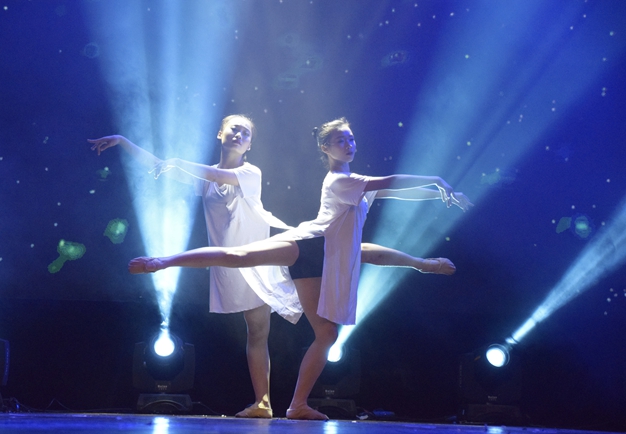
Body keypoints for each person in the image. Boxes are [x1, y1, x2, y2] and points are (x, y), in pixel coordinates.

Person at [128, 117, 473, 419]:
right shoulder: (340, 181)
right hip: (309, 245)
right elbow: (391, 182)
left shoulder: (356, 182)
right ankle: (162, 261)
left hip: (329, 255)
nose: (349, 144)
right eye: (340, 140)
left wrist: (440, 194)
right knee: (238, 255)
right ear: (326, 148)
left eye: (351, 139)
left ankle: (298, 405)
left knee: (327, 333)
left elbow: (392, 195)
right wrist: (435, 180)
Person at [89, 115, 299, 419]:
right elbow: (160, 165)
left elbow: (211, 174)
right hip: (225, 260)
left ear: (250, 145)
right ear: (220, 134)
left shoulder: (250, 172)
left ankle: (263, 402)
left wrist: (178, 162)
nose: (239, 134)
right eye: (234, 129)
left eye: (246, 133)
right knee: (252, 332)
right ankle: (262, 403)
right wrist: (124, 142)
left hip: (255, 259)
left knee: (257, 332)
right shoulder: (205, 178)